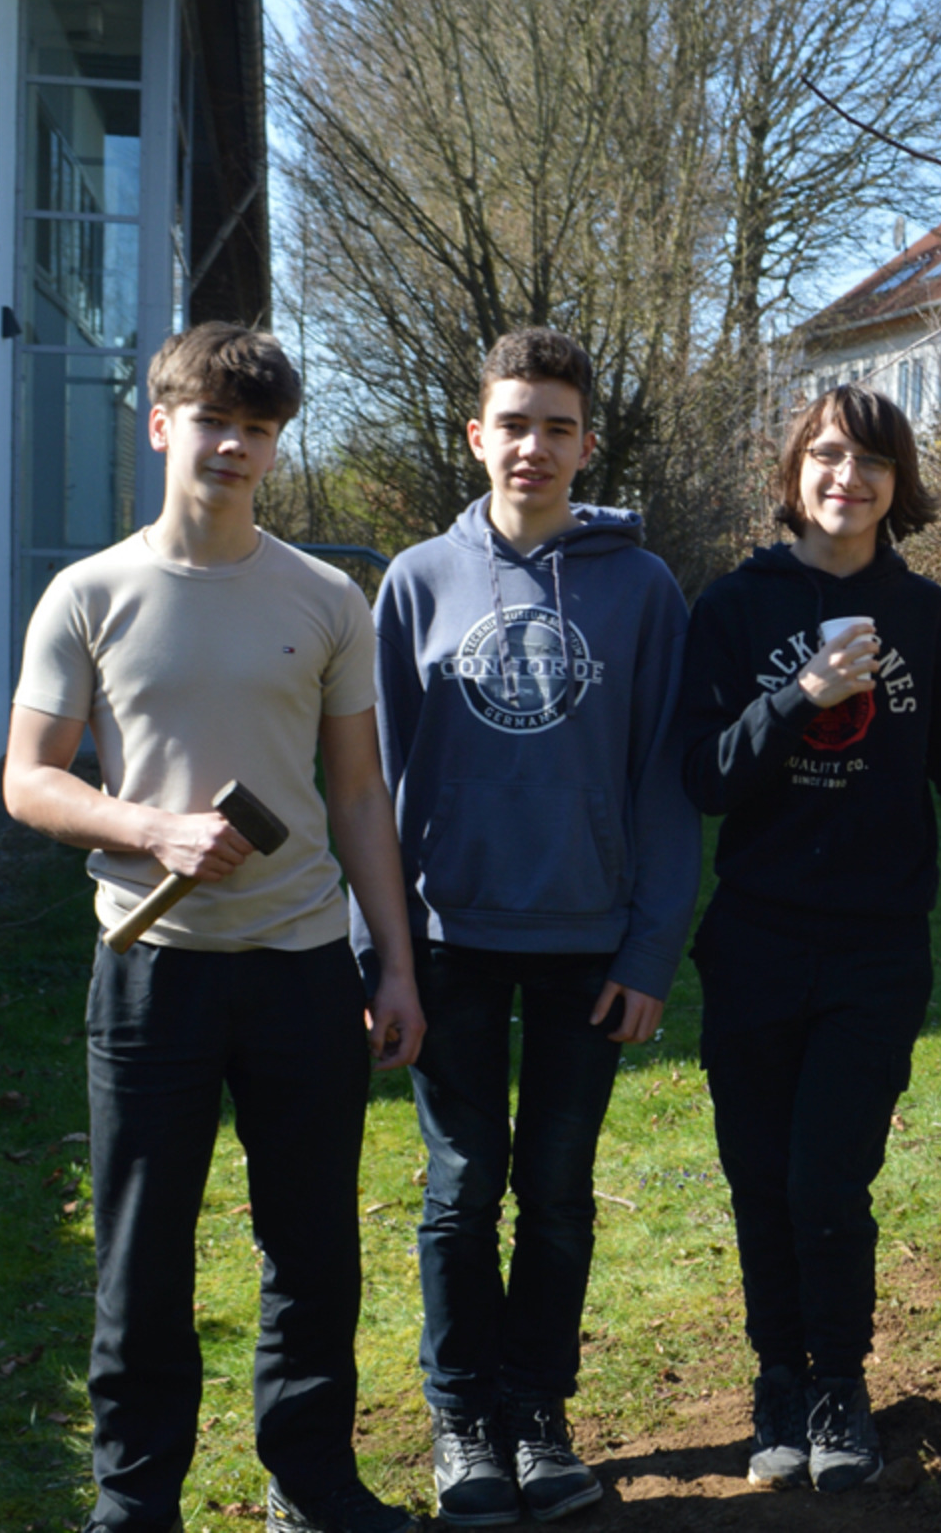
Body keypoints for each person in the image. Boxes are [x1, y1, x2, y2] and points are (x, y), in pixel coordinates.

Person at [4, 324, 425, 1533]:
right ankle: (135, 1500)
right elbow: (30, 779)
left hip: (302, 967)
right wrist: (153, 829)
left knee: (314, 1244)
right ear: (160, 426)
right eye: (211, 421)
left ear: (277, 445)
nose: (233, 445)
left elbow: (359, 795)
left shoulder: (325, 598)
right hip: (154, 971)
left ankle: (313, 1482)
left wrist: (393, 964)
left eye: (258, 428)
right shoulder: (90, 594)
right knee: (142, 1256)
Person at [350, 328, 700, 1526]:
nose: (532, 446)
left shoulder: (642, 591)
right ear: (475, 435)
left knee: (555, 1190)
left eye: (557, 426)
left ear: (586, 444)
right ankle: (462, 1424)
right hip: (448, 939)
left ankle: (537, 1414)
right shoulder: (415, 582)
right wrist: (384, 958)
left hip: (586, 944)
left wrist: (648, 950)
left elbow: (664, 782)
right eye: (512, 423)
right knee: (460, 1188)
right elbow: (371, 787)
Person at [676, 385, 941, 1492]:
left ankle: (839, 1385)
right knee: (759, 1177)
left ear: (898, 481)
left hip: (875, 945)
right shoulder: (734, 607)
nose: (849, 476)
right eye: (828, 454)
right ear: (794, 472)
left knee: (829, 1180)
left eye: (873, 459)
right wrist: (800, 695)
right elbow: (705, 778)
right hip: (756, 939)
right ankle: (778, 1383)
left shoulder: (931, 615)